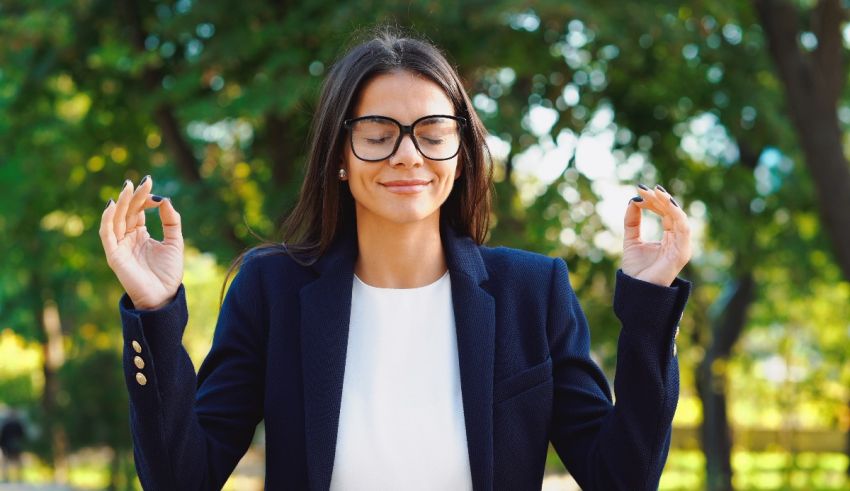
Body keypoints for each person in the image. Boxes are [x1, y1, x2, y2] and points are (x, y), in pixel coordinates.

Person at [99, 31, 692, 490]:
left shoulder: (532, 293)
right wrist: (155, 310)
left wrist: (647, 312)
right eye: (379, 134)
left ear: (459, 154)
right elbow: (182, 477)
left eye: (432, 134)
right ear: (338, 154)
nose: (409, 156)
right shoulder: (271, 290)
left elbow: (623, 477)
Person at [0, 410, 25, 482]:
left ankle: (13, 477)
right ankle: (15, 477)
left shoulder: (9, 425)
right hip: (12, 445)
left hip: (10, 445)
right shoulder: (16, 425)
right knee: (12, 461)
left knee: (12, 461)